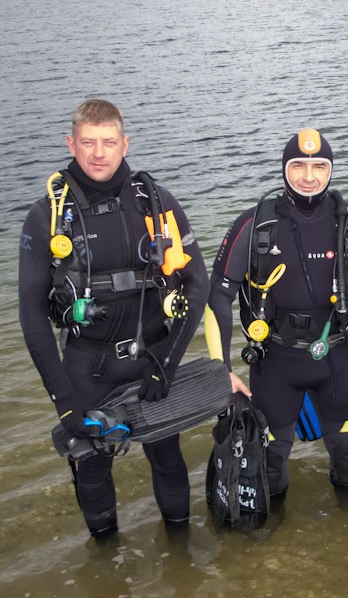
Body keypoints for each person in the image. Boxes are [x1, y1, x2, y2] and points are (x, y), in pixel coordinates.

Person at [19, 99, 209, 538]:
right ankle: (106, 560)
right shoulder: (47, 216)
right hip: (88, 368)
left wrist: (169, 364)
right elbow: (31, 317)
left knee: (168, 459)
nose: (98, 153)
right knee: (91, 469)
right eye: (88, 142)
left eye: (108, 142)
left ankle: (180, 553)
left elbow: (197, 283)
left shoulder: (155, 202)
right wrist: (63, 399)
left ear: (126, 144)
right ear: (72, 143)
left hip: (153, 361)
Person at [205, 128, 348, 498]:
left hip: (337, 359)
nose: (310, 175)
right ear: (285, 169)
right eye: (299, 165)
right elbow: (218, 296)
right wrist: (221, 372)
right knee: (270, 457)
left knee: (346, 453)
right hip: (275, 361)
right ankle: (269, 541)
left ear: (331, 169)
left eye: (320, 165)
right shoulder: (255, 225)